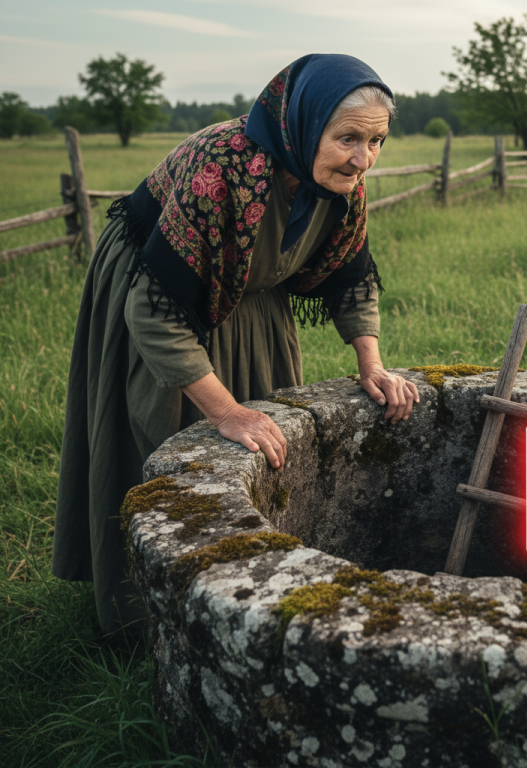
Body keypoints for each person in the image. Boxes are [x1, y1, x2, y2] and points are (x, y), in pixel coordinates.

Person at [52, 54, 420, 639]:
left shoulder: (344, 185)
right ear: (304, 122)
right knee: (163, 441)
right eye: (348, 137)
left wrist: (371, 363)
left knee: (263, 442)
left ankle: (242, 607)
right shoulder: (221, 167)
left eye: (377, 140)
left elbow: (351, 275)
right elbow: (152, 311)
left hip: (256, 297)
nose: (363, 158)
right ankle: (146, 622)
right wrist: (224, 410)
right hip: (162, 291)